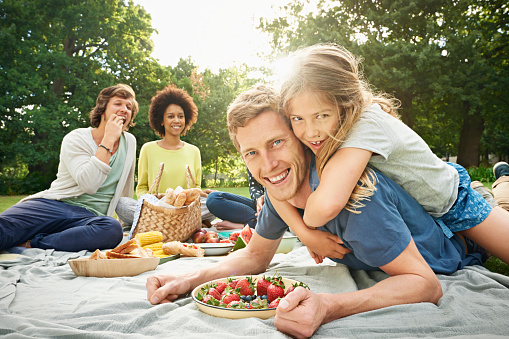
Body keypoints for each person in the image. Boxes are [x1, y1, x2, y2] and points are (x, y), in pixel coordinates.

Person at [146, 85, 488, 338]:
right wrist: (188, 279)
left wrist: (328, 305)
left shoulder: (354, 195)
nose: (268, 165)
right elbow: (253, 258)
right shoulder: (281, 187)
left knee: (492, 199)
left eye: (276, 142)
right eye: (251, 153)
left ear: (301, 135)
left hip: (457, 245)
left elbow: (425, 285)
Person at [268, 43, 509, 265]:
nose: (310, 131)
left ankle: (502, 182)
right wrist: (302, 230)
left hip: (456, 201)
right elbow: (271, 182)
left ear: (346, 104)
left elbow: (325, 205)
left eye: (322, 115)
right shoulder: (327, 132)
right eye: (298, 119)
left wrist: (307, 231)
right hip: (428, 218)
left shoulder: (365, 127)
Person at [0, 84, 138, 252]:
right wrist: (108, 139)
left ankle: (33, 243)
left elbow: (126, 185)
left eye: (129, 107)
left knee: (112, 229)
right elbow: (89, 184)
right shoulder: (76, 138)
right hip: (54, 206)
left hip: (90, 219)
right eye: (118, 104)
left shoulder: (129, 141)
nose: (124, 109)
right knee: (4, 228)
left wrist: (127, 224)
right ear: (102, 109)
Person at [116, 84, 214, 227]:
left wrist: (200, 195)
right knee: (121, 204)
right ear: (161, 120)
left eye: (181, 116)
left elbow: (196, 187)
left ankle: (160, 224)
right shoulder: (148, 148)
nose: (176, 120)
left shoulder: (194, 151)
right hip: (156, 209)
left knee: (215, 202)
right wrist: (157, 205)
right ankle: (182, 224)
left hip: (185, 209)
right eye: (170, 116)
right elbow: (142, 187)